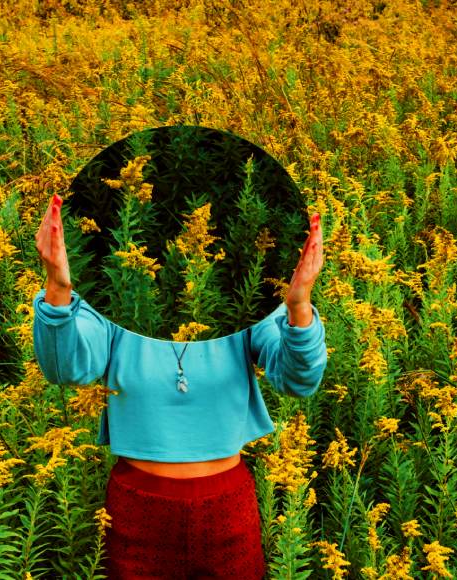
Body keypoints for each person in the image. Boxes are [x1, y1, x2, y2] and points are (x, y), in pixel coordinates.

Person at [33, 193, 327, 579]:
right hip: (136, 510)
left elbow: (298, 380)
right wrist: (57, 286)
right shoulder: (114, 296)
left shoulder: (243, 308)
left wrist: (299, 305)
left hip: (227, 507)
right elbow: (65, 369)